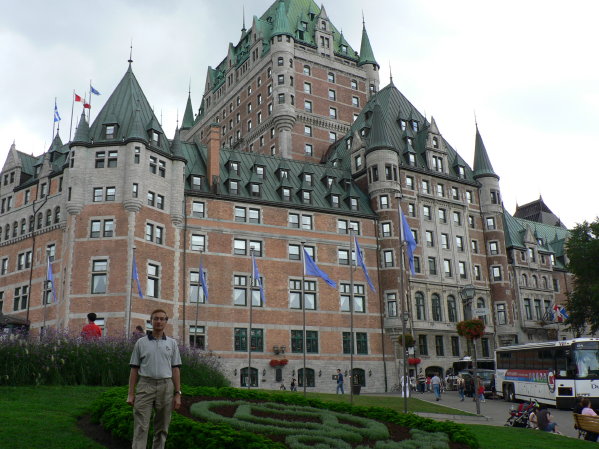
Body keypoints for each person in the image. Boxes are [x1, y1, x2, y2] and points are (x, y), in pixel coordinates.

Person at [127, 309, 182, 449]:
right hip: (145, 385)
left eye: (162, 319)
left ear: (166, 322)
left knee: (162, 427)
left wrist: (177, 394)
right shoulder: (141, 343)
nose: (159, 321)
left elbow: (176, 369)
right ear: (151, 321)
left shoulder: (172, 343)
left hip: (166, 386)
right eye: (156, 319)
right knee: (141, 426)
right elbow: (134, 369)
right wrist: (131, 393)